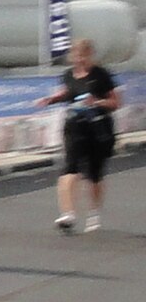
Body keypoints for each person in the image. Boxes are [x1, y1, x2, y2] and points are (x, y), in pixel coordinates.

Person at [36, 37, 119, 232]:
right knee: (69, 169)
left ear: (90, 55)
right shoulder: (67, 75)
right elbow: (67, 93)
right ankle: (68, 214)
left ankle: (94, 212)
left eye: (83, 55)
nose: (79, 59)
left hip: (98, 130)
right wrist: (51, 99)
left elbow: (115, 103)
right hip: (75, 128)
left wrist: (97, 102)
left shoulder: (101, 75)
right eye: (76, 55)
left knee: (94, 176)